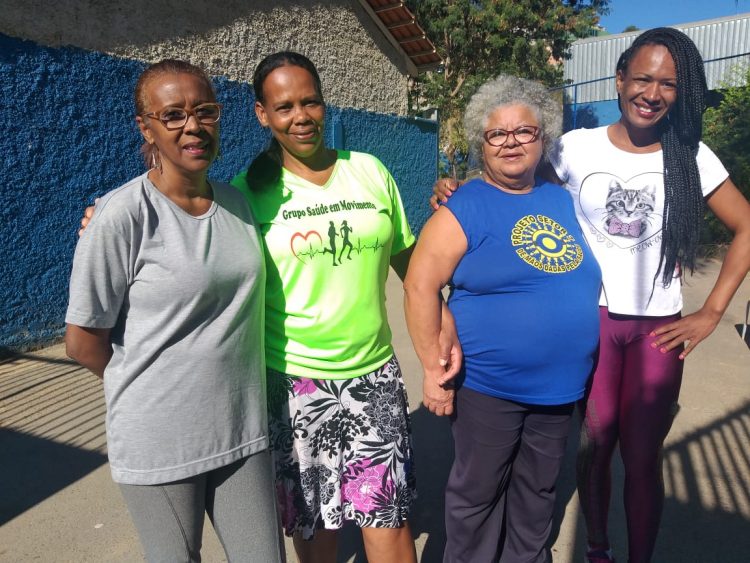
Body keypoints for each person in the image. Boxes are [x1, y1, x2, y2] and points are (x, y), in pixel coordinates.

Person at [432, 28, 750, 563]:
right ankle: (597, 550)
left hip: (657, 330)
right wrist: (458, 187)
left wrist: (712, 311)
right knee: (595, 448)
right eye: (642, 78)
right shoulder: (576, 147)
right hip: (592, 322)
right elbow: (512, 178)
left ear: (681, 91)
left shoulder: (692, 156)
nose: (652, 93)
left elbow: (746, 225)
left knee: (642, 458)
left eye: (668, 84)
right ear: (619, 79)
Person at [230, 51, 458, 563]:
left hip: (374, 376)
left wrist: (444, 330)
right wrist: (108, 217)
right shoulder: (247, 195)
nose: (301, 116)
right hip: (293, 385)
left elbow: (412, 269)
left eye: (310, 102)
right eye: (284, 106)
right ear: (263, 114)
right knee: (316, 529)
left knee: (388, 522)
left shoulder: (369, 171)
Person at [65, 60, 282, 562]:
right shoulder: (122, 215)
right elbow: (82, 342)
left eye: (204, 111)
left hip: (241, 428)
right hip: (161, 439)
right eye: (173, 115)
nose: (193, 126)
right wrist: (152, 385)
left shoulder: (238, 204)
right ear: (146, 127)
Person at [406, 74, 602, 563]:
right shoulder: (465, 205)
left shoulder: (561, 199)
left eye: (524, 131)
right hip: (489, 385)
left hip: (559, 388)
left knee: (538, 492)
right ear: (482, 142)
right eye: (497, 133)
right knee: (478, 494)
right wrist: (432, 370)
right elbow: (419, 286)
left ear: (542, 138)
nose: (511, 142)